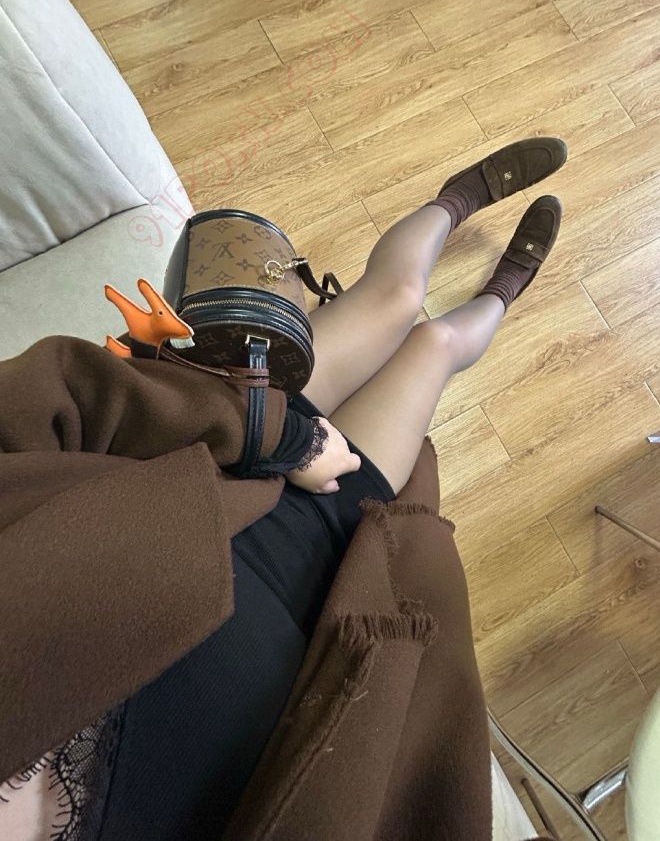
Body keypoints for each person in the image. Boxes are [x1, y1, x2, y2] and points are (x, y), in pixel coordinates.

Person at [0, 137, 566, 841]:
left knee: (394, 301)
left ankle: (456, 201)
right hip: (326, 565)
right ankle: (501, 293)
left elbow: (37, 405)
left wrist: (279, 439)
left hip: (217, 449)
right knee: (433, 347)